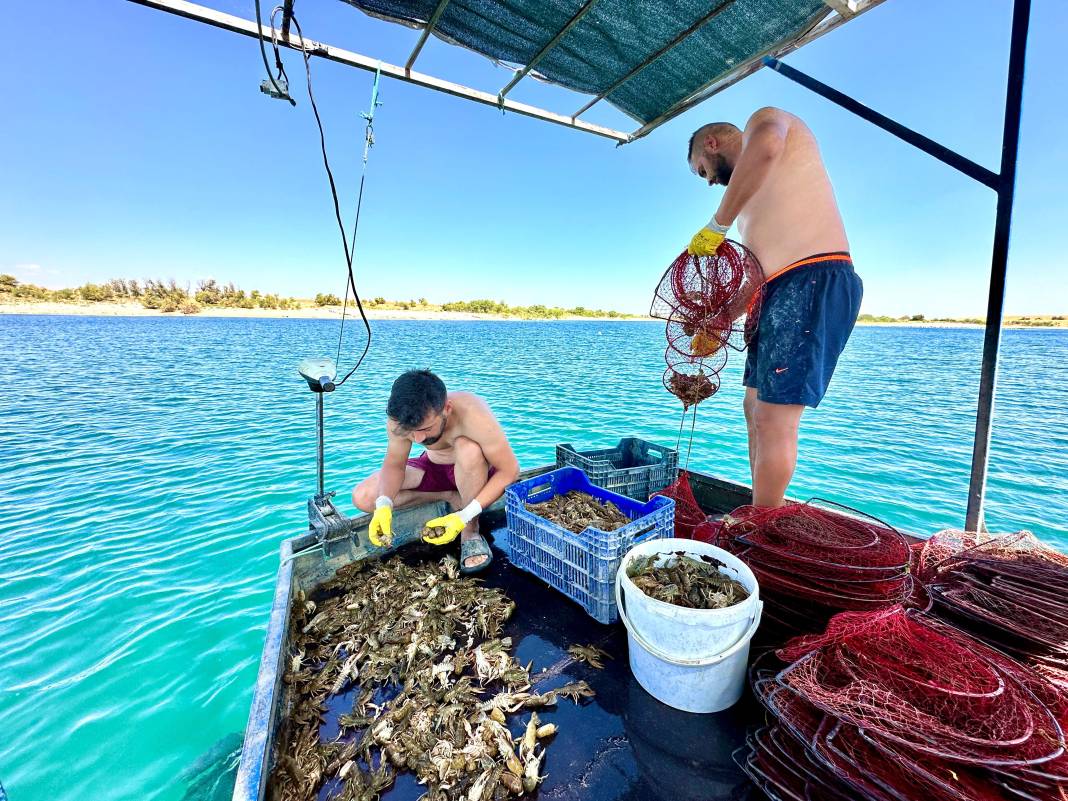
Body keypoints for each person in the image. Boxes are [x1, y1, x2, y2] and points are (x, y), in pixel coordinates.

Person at [686, 107, 863, 508]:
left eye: (703, 171)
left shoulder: (764, 122)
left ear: (711, 144)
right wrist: (723, 317)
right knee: (753, 408)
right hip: (774, 291)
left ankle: (763, 525)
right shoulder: (750, 204)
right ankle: (764, 509)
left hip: (814, 277)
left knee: (774, 417)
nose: (711, 182)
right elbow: (754, 272)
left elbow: (765, 146)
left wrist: (717, 226)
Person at [352, 369, 520, 573]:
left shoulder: (472, 413)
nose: (418, 439)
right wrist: (384, 504)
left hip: (476, 472)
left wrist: (464, 516)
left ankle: (471, 531)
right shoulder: (399, 418)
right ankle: (450, 495)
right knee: (364, 497)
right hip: (433, 468)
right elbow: (395, 464)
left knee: (469, 450)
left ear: (446, 408)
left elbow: (509, 471)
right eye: (410, 432)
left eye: (425, 429)